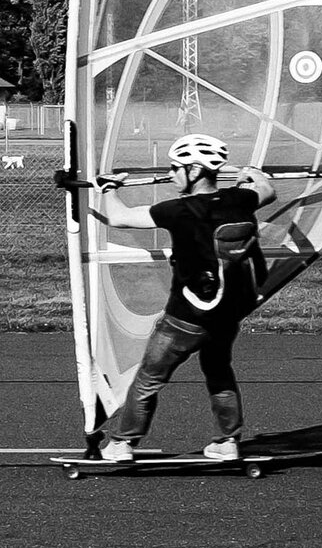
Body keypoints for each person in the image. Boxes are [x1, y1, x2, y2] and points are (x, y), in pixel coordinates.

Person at [84, 133, 276, 462]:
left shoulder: (179, 211)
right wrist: (252, 174)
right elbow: (268, 190)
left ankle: (122, 443)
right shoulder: (241, 201)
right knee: (218, 370)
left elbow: (118, 217)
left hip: (185, 318)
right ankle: (228, 441)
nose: (172, 175)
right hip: (227, 316)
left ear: (195, 171)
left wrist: (108, 188)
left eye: (176, 169)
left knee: (148, 379)